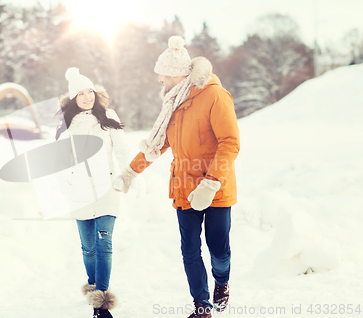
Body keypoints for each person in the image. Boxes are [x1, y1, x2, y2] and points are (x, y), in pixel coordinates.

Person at [114, 36, 240, 318]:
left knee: (218, 248)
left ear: (178, 74)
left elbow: (229, 142)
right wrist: (130, 173)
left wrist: (210, 182)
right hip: (184, 187)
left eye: (163, 74)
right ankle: (202, 306)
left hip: (215, 188)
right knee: (190, 250)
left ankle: (222, 282)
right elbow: (159, 144)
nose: (160, 80)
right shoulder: (174, 104)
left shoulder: (215, 96)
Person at [56, 67, 130, 318]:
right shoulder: (67, 124)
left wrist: (126, 176)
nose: (88, 97)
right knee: (88, 247)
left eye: (91, 91)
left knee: (104, 243)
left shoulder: (108, 117)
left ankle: (101, 302)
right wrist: (65, 183)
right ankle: (93, 284)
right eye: (82, 93)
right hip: (80, 191)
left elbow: (122, 151)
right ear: (74, 99)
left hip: (107, 188)